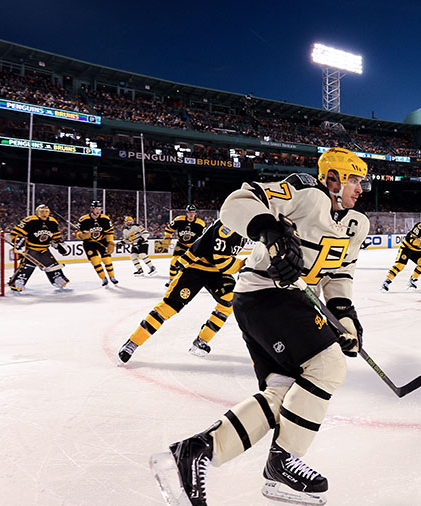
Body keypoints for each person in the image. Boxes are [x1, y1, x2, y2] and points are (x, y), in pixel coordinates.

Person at [150, 147, 369, 506]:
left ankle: (193, 453)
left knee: (282, 393)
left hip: (289, 302)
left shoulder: (356, 224)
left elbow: (340, 276)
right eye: (354, 180)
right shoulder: (305, 191)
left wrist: (346, 318)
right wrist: (270, 230)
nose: (360, 189)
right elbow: (237, 202)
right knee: (328, 366)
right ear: (333, 177)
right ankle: (282, 463)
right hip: (266, 295)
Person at [117, 220, 246, 363]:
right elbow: (222, 262)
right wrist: (244, 265)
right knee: (169, 307)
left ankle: (201, 341)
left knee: (229, 301)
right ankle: (132, 343)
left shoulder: (245, 228)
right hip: (196, 267)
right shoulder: (227, 226)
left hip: (216, 271)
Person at [7, 204, 70, 292]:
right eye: (42, 212)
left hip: (44, 249)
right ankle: (19, 280)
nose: (44, 214)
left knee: (52, 265)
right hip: (31, 249)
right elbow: (16, 233)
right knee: (28, 265)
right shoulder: (30, 220)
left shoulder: (53, 222)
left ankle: (57, 278)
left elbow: (56, 237)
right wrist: (19, 243)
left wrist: (58, 244)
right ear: (37, 212)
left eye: (46, 212)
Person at [381, 211, 421, 292]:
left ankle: (413, 279)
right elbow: (412, 240)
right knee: (400, 265)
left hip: (416, 251)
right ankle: (386, 282)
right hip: (407, 248)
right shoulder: (420, 226)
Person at [158, 204, 206, 285]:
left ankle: (193, 280)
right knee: (174, 261)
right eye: (189, 212)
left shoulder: (200, 223)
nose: (191, 214)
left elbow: (203, 237)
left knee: (193, 265)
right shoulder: (179, 219)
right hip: (180, 244)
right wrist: (167, 238)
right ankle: (171, 280)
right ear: (186, 213)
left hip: (193, 246)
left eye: (193, 212)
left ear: (195, 213)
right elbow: (169, 229)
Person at [77, 200, 117, 286]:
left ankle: (112, 277)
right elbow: (77, 232)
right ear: (91, 209)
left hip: (101, 241)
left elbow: (109, 231)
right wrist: (81, 235)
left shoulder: (105, 219)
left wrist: (110, 242)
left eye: (100, 208)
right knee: (95, 261)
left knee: (107, 259)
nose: (98, 211)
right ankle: (103, 278)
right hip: (89, 243)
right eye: (96, 208)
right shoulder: (84, 220)